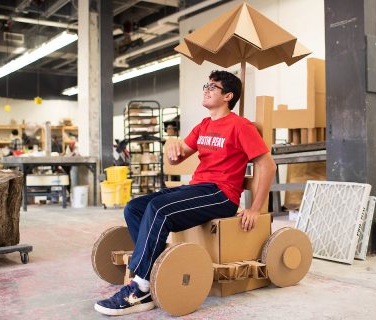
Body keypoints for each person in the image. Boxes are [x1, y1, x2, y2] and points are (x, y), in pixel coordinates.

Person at [94, 70, 277, 316]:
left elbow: (268, 164)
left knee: (158, 209)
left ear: (228, 96)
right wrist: (173, 149)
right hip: (197, 188)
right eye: (206, 85)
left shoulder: (240, 126)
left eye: (213, 87)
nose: (206, 89)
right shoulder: (204, 125)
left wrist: (254, 208)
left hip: (221, 193)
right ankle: (154, 272)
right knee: (134, 207)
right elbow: (180, 155)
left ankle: (141, 289)